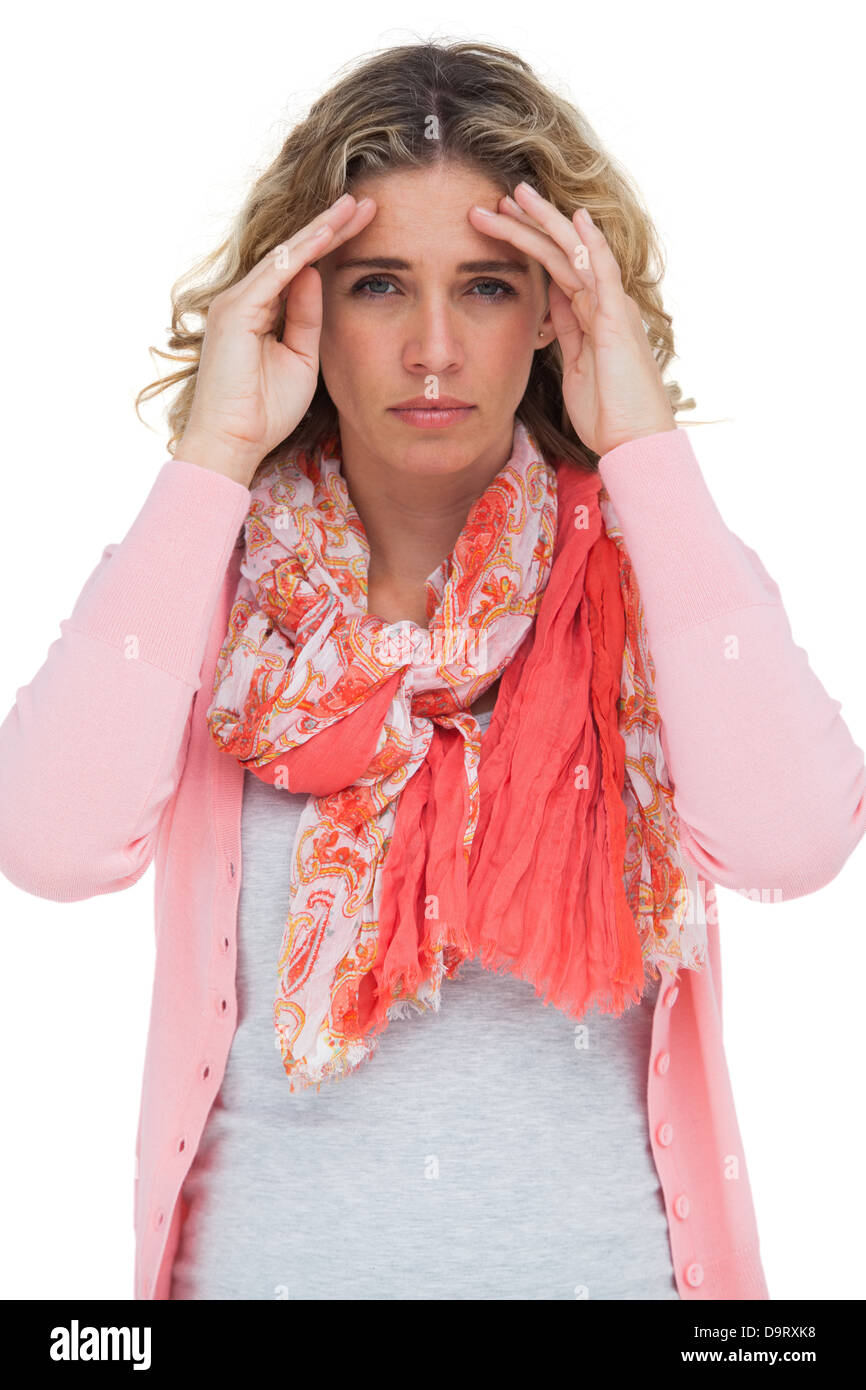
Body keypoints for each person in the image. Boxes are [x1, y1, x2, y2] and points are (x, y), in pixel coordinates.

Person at [1, 37, 864, 1303]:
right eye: (376, 285)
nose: (431, 349)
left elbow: (792, 844)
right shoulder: (213, 586)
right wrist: (209, 459)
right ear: (300, 299)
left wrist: (642, 445)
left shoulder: (647, 575)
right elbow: (49, 843)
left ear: (555, 311)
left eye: (488, 286)